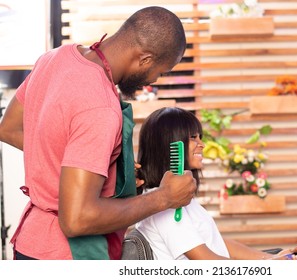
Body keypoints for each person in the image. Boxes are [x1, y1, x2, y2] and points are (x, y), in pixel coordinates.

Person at [0, 6, 197, 260]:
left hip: (29, 245)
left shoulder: (55, 58)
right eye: (159, 72)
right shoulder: (101, 106)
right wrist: (164, 198)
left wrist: (90, 166)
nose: (154, 81)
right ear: (144, 59)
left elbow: (8, 128)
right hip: (66, 259)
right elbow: (76, 219)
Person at [135, 107, 297, 260]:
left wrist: (269, 259)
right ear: (170, 145)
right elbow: (207, 262)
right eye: (193, 137)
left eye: (200, 137)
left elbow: (215, 244)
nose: (201, 144)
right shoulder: (165, 207)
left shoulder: (179, 201)